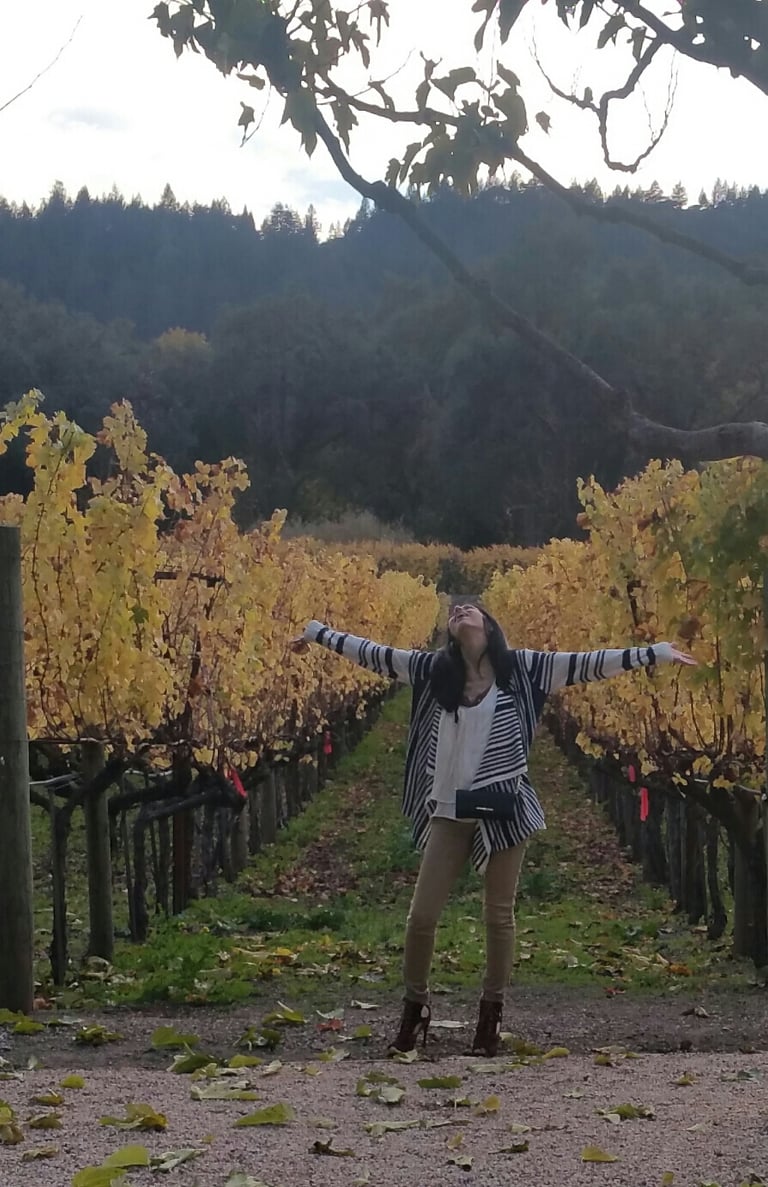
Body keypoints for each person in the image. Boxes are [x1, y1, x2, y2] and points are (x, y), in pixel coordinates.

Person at [291, 605, 695, 1058]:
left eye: (471, 609)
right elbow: (374, 654)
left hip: (504, 810)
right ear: (450, 632)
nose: (461, 611)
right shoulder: (431, 671)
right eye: (454, 611)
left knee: (498, 916)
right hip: (447, 811)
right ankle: (415, 1008)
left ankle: (490, 1015)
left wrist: (654, 653)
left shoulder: (523, 668)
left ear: (489, 626)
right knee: (422, 917)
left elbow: (589, 663)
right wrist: (319, 633)